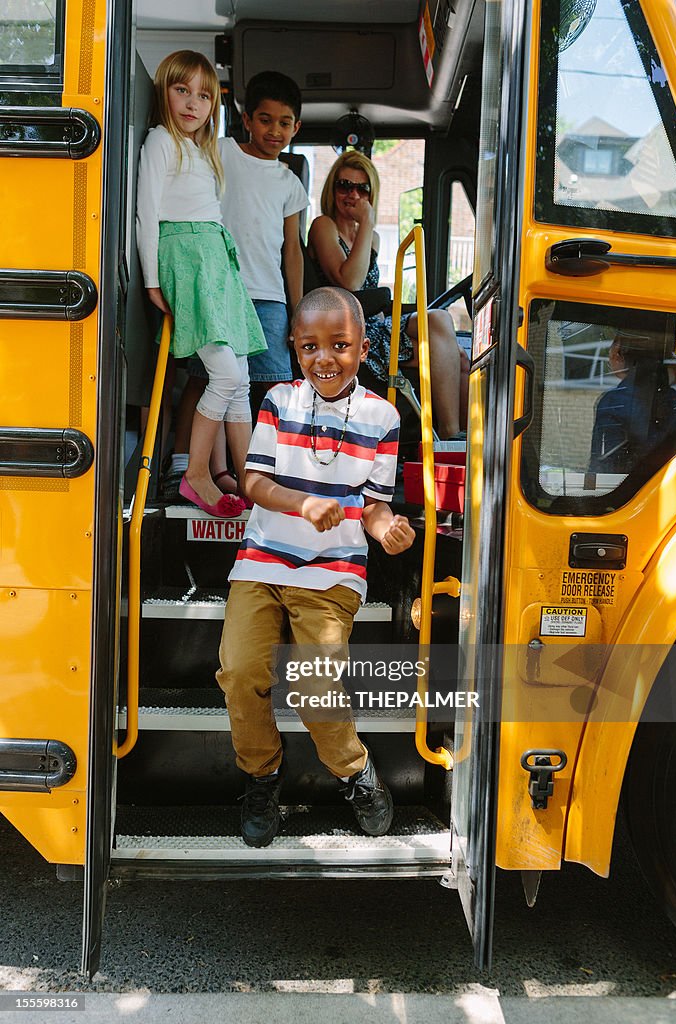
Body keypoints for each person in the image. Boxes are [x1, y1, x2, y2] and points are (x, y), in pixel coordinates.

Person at [216, 287, 416, 848]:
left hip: (333, 571)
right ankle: (261, 778)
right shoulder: (278, 402)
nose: (324, 358)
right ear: (294, 349)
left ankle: (355, 773)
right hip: (263, 561)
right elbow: (253, 482)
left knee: (316, 683)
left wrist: (388, 531)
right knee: (240, 672)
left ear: (362, 347)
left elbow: (375, 505)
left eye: (339, 345)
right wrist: (301, 504)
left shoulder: (382, 417)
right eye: (309, 347)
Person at [165, 70, 309, 498]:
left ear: (296, 128)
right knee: (205, 379)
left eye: (285, 123)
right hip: (217, 285)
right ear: (246, 119)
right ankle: (183, 466)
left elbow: (292, 251)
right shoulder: (221, 151)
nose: (275, 130)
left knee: (262, 386)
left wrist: (297, 310)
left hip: (268, 295)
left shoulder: (290, 183)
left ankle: (248, 471)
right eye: (265, 119)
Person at [136, 50, 267, 517]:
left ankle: (252, 479)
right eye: (181, 90)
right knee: (225, 373)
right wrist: (154, 280)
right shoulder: (160, 141)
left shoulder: (201, 149)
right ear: (164, 93)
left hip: (215, 259)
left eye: (204, 95)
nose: (193, 103)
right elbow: (147, 214)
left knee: (242, 375)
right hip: (186, 257)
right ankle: (196, 474)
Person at [307, 150, 470, 439]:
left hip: (376, 322)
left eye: (362, 188)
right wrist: (368, 222)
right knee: (446, 345)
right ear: (332, 189)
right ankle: (448, 435)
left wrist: (366, 230)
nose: (352, 194)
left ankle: (459, 443)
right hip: (344, 329)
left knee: (450, 339)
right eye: (344, 186)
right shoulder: (324, 226)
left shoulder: (371, 238)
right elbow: (350, 281)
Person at [589, 330, 676, 474]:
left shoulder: (613, 402)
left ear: (619, 356)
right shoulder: (674, 399)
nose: (610, 357)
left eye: (612, 350)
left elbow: (603, 467)